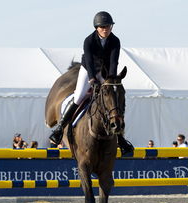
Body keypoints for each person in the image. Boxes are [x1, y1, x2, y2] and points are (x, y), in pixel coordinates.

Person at [48, 11, 134, 156]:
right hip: (88, 70)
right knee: (79, 96)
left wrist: (111, 79)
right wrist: (92, 80)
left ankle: (120, 137)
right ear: (97, 28)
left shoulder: (115, 41)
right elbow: (89, 60)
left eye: (108, 26)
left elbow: (114, 61)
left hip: (105, 73)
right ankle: (60, 128)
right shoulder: (89, 40)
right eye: (102, 27)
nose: (105, 29)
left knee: (112, 100)